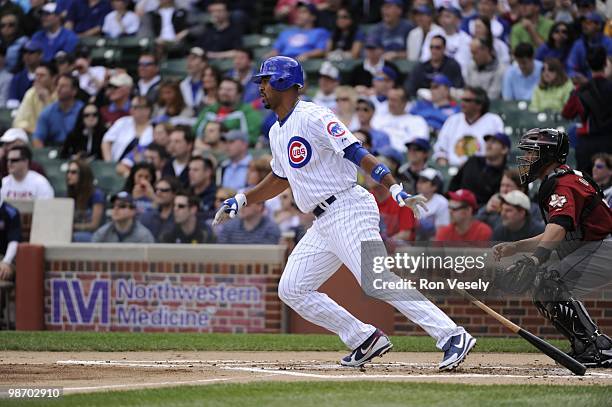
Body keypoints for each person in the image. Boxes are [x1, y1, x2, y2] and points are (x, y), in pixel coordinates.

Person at [214, 56, 476, 370]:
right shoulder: (275, 132)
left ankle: (451, 335)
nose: (261, 87)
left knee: (376, 278)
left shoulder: (313, 115)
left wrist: (394, 187)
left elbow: (355, 151)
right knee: (292, 288)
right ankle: (364, 338)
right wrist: (242, 199)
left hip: (348, 206)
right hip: (322, 220)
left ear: (284, 82)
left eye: (266, 80)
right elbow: (280, 178)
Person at [493, 128, 612, 367]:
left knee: (551, 282)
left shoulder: (562, 184)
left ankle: (599, 348)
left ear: (547, 155)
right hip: (594, 245)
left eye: (530, 153)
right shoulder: (561, 178)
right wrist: (517, 248)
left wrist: (536, 259)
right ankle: (585, 346)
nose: (526, 159)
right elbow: (556, 231)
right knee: (543, 287)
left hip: (603, 245)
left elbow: (559, 226)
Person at [562, 46, 612, 173]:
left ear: (588, 64)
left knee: (585, 185)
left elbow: (567, 113)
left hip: (587, 144)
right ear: (606, 63)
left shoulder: (581, 90)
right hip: (609, 141)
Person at [433, 86, 504, 166]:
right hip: (453, 170)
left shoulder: (493, 121)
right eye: (462, 99)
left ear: (479, 105)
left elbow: (497, 151)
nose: (462, 103)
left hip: (482, 171)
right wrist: (444, 166)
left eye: (467, 100)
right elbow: (440, 149)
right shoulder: (453, 120)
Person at [192, 78, 262, 145]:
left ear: (239, 94)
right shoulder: (209, 110)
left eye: (229, 90)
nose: (224, 92)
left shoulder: (248, 112)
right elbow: (194, 131)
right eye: (221, 89)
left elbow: (252, 138)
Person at [449, 132, 510, 206]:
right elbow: (454, 184)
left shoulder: (506, 175)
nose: (488, 145)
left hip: (483, 214)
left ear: (504, 149)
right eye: (487, 141)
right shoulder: (473, 161)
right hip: (457, 206)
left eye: (494, 142)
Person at [32, 74, 84, 148]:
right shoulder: (47, 112)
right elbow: (37, 139)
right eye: (58, 85)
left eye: (63, 86)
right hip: (53, 149)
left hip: (77, 149)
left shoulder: (83, 111)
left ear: (74, 91)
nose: (58, 89)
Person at [371, 86, 429, 153]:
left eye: (394, 100)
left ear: (405, 102)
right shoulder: (378, 118)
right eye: (389, 99)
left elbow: (419, 145)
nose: (390, 103)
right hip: (376, 154)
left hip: (401, 156)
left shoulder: (417, 121)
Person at [102, 96, 154, 163]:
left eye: (135, 107)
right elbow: (106, 140)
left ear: (147, 110)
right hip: (114, 165)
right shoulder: (123, 122)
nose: (131, 109)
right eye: (131, 106)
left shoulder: (154, 129)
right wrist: (109, 162)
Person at [65, 160, 105, 242]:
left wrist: (73, 227)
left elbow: (94, 225)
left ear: (83, 175)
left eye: (73, 172)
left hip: (93, 235)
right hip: (73, 232)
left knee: (72, 238)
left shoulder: (96, 194)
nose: (69, 175)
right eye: (68, 172)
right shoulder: (69, 194)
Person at [12, 62, 57, 135]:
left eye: (42, 75)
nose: (37, 79)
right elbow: (18, 122)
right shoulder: (31, 93)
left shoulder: (61, 95)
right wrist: (36, 131)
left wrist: (47, 100)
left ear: (54, 78)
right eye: (36, 75)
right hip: (32, 135)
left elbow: (55, 125)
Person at [566, 12, 612, 82]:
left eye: (588, 23)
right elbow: (570, 68)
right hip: (584, 84)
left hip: (605, 82)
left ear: (599, 26)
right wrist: (576, 75)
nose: (584, 25)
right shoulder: (578, 44)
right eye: (583, 23)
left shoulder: (609, 43)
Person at [415, 168, 449, 241]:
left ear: (434, 186)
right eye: (419, 181)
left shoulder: (442, 202)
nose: (419, 184)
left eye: (424, 182)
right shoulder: (413, 200)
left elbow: (442, 229)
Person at [7, 40, 42, 106]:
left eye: (31, 52)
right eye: (25, 52)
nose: (27, 55)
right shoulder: (17, 78)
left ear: (40, 55)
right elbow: (12, 102)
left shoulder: (46, 76)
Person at [0, 187, 20, 283]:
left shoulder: (11, 212)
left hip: (5, 258)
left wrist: (6, 262)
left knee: (3, 272)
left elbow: (14, 241)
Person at [188, 155, 216, 222]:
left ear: (208, 172)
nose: (190, 173)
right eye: (189, 169)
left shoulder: (217, 194)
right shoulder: (186, 193)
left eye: (195, 170)